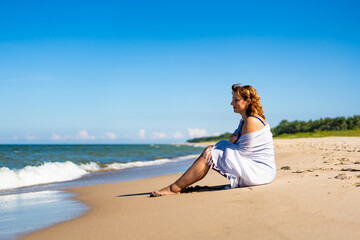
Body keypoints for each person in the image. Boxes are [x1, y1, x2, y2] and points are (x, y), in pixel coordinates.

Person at [150, 84, 276, 197]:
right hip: (262, 171)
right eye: (233, 100)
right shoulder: (245, 120)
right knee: (212, 150)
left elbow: (243, 151)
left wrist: (229, 143)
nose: (231, 103)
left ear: (248, 101)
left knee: (209, 153)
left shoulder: (251, 121)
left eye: (236, 100)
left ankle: (174, 188)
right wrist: (230, 142)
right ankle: (177, 186)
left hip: (259, 173)